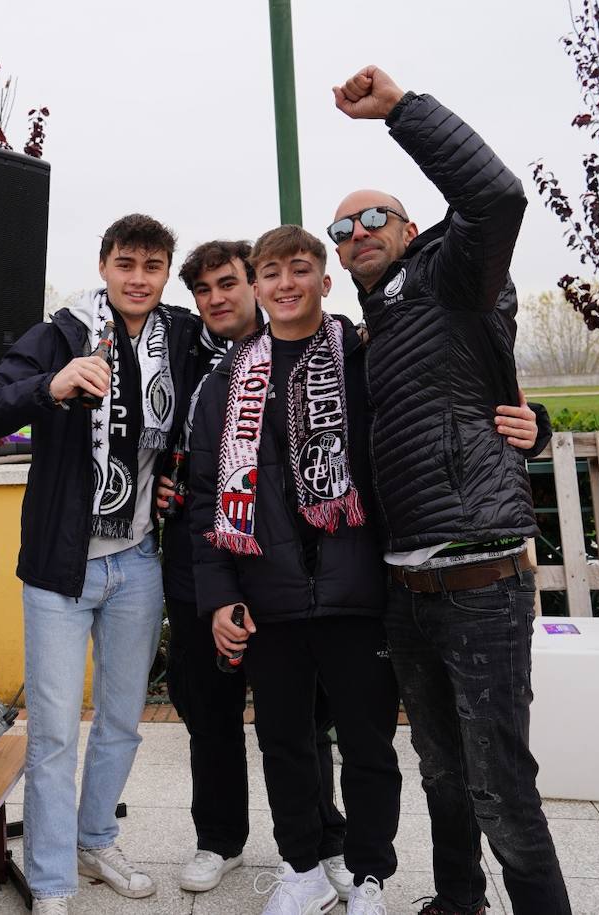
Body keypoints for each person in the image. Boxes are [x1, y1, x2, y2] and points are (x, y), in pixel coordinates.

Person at [329, 65, 571, 915]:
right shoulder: (377, 328)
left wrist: (402, 112)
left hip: (479, 574)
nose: (357, 232)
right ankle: (457, 902)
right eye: (342, 228)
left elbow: (498, 196)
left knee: (502, 783)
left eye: (373, 218)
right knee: (441, 772)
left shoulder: (452, 278)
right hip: (408, 584)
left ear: (410, 226)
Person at [0, 214, 202, 915]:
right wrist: (53, 385)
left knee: (124, 718)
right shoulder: (61, 334)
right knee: (58, 728)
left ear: (163, 273)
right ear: (104, 266)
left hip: (139, 560)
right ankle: (53, 878)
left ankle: (96, 839)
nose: (138, 277)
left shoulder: (180, 335)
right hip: (62, 569)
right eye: (126, 263)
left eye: (152, 266)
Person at [190, 225, 403, 915]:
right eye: (272, 272)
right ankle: (303, 868)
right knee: (283, 744)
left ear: (324, 280)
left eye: (300, 269)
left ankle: (369, 876)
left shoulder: (361, 358)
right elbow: (204, 496)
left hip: (356, 591)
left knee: (369, 746)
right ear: (257, 286)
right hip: (268, 595)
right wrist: (221, 595)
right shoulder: (228, 379)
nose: (285, 283)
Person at [162, 239, 354, 900]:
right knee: (209, 714)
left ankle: (323, 841)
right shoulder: (185, 358)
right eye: (203, 290)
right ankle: (220, 838)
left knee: (301, 719)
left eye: (227, 283)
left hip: (284, 569)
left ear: (256, 285)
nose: (216, 298)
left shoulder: (317, 352)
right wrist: (163, 480)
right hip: (203, 562)